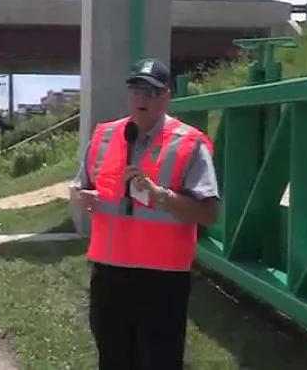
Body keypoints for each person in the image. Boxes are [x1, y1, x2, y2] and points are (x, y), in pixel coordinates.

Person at [70, 57, 220, 370]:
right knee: (113, 361)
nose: (142, 100)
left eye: (151, 93)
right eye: (136, 91)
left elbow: (209, 214)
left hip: (162, 281)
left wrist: (160, 195)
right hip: (109, 277)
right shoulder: (104, 136)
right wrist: (84, 197)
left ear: (166, 97)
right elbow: (79, 189)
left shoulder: (189, 143)